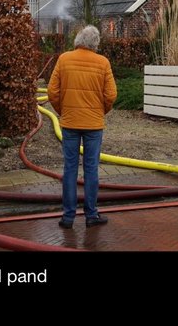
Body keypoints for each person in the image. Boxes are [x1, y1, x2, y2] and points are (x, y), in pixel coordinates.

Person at [47, 25, 117, 229]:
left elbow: (52, 92)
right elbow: (111, 95)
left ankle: (68, 217)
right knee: (91, 169)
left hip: (69, 123)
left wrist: (63, 110)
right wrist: (99, 112)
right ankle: (91, 215)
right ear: (95, 43)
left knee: (69, 169)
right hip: (94, 125)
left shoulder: (64, 59)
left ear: (78, 40)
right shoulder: (103, 62)